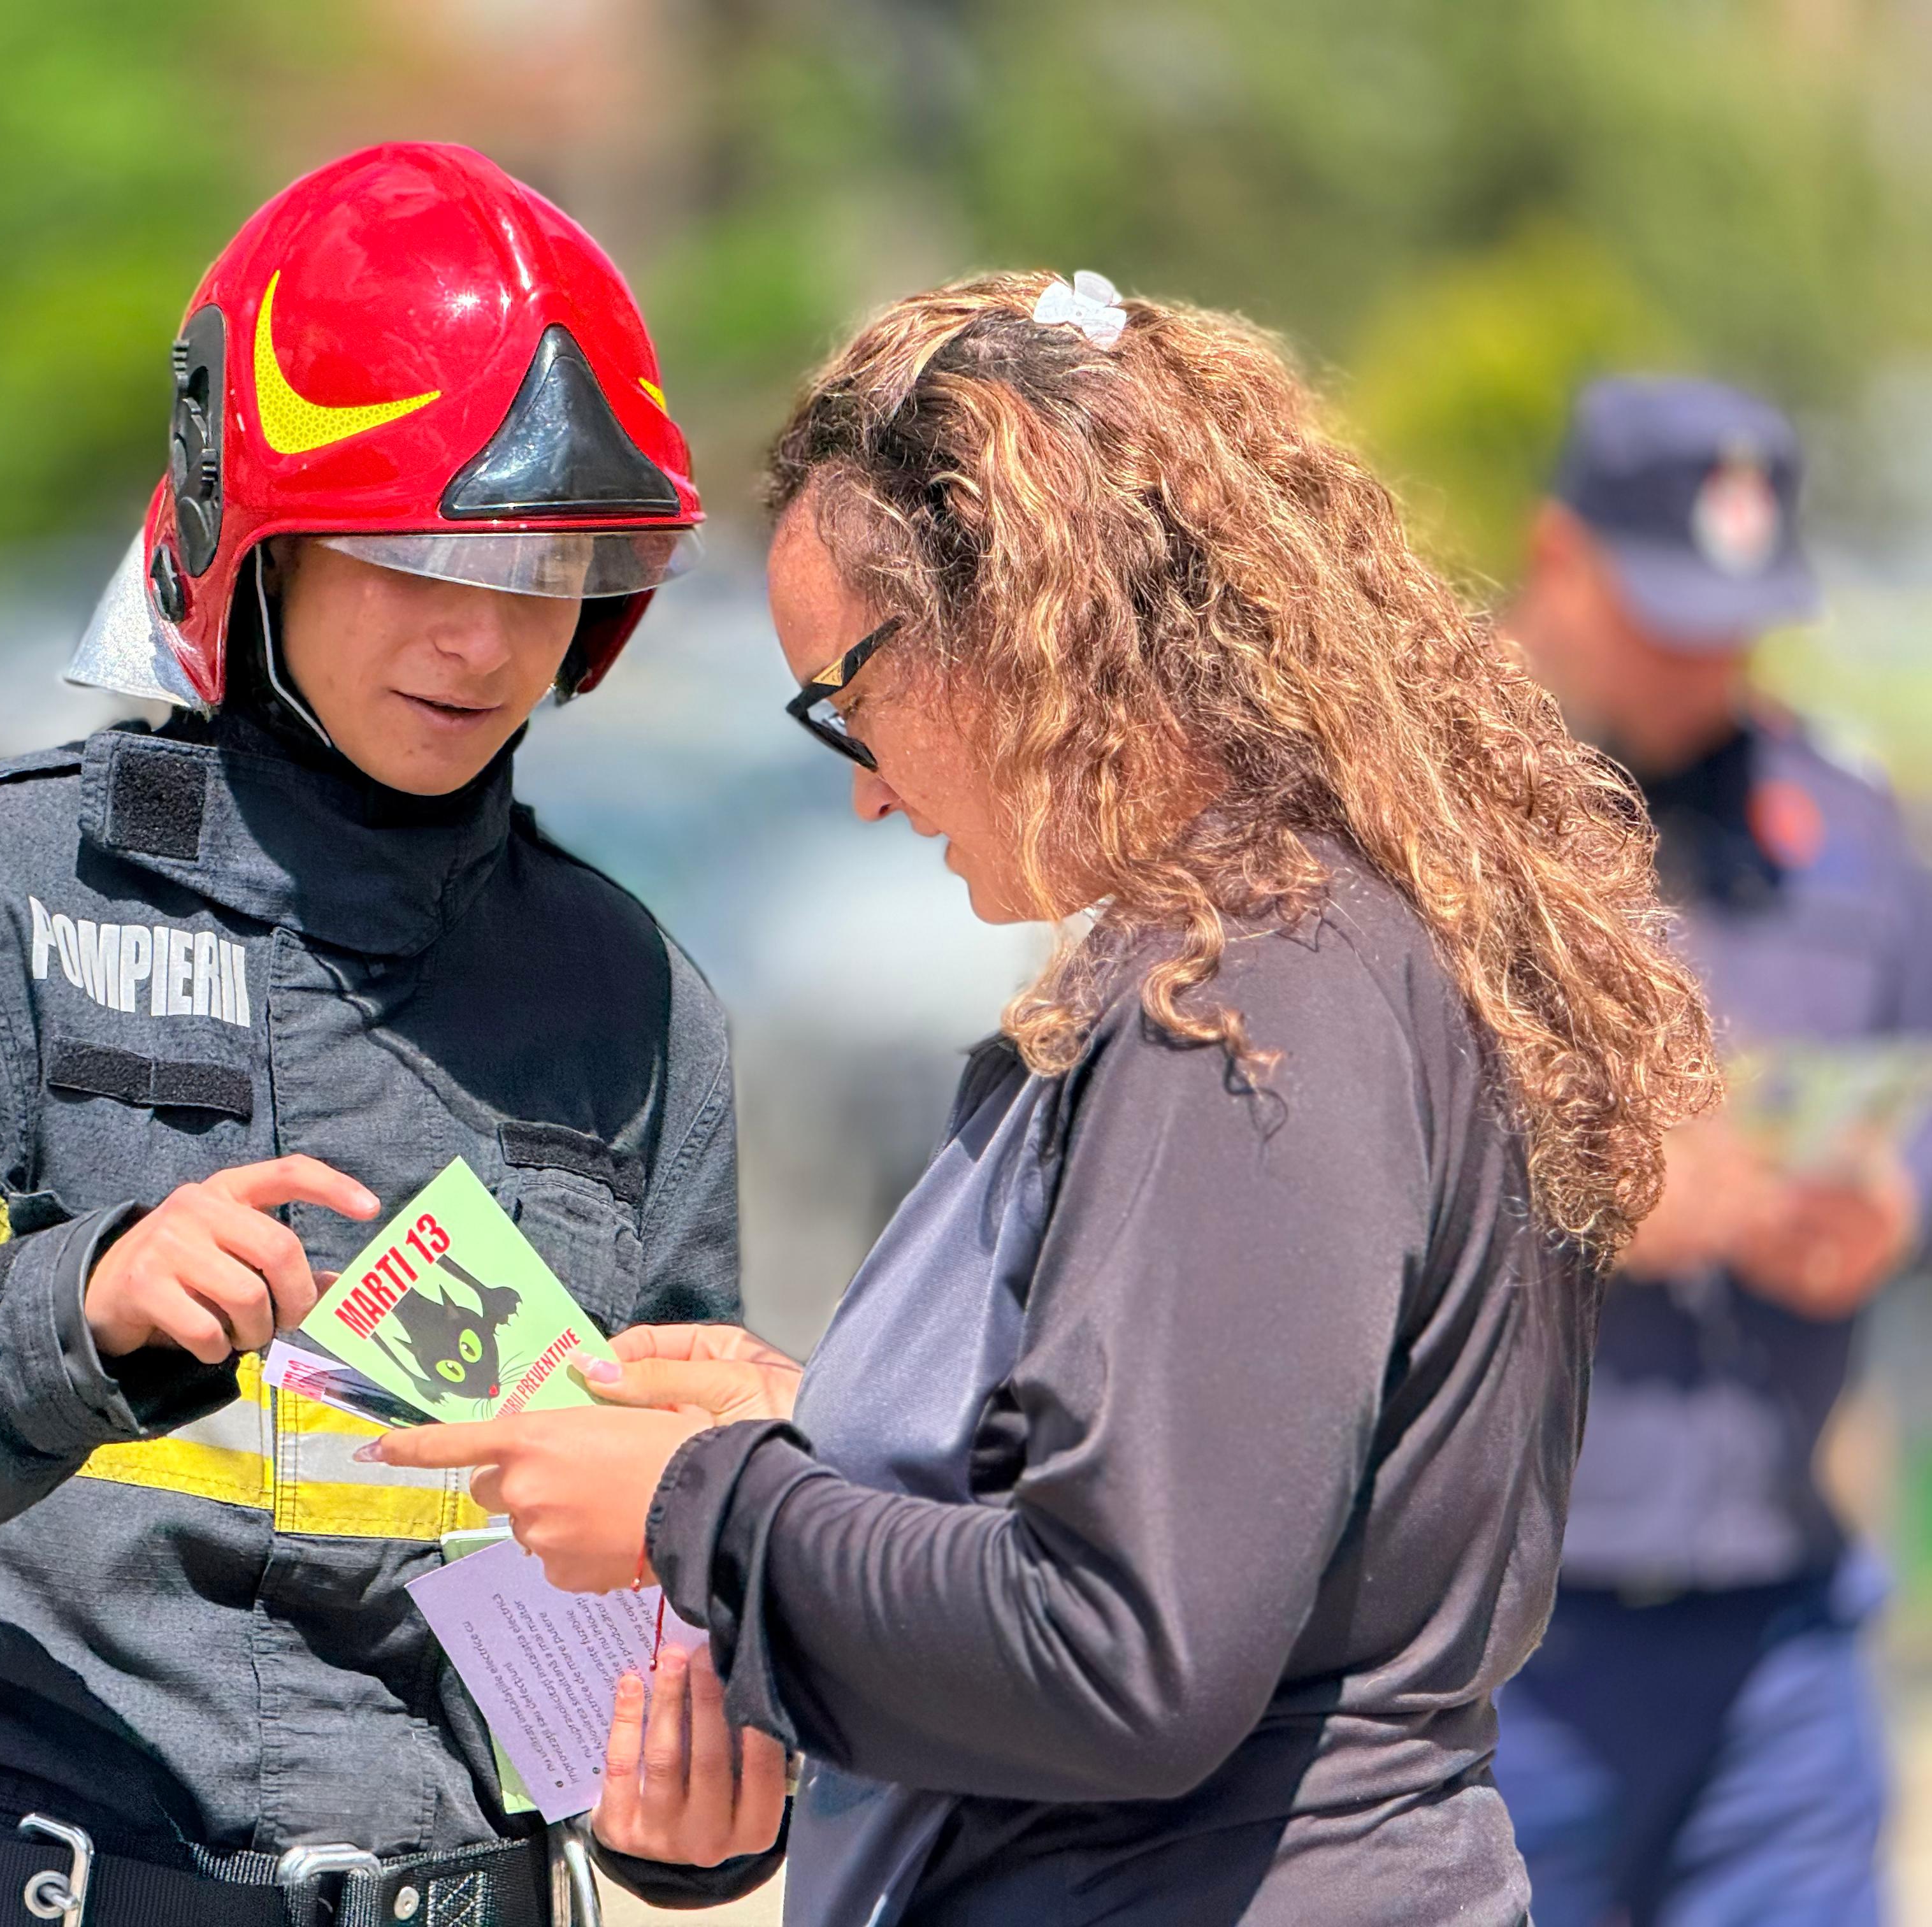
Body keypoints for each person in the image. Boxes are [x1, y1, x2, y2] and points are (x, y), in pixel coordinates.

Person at [371, 271, 1720, 1926]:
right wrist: (811, 1431)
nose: (866, 790)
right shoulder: (1284, 948)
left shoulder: (1248, 989)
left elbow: (1121, 1650)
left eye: (847, 699)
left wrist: (692, 1506)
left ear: (1015, 621)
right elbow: (1183, 1492)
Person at [0, 143, 786, 1926]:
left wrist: (693, 1810)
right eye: (408, 554)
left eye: (544, 563)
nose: (481, 638)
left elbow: (649, 1621)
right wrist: (69, 1318)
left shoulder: (632, 1007)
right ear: (253, 536)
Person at [1491, 376, 1931, 1926]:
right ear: (1559, 559)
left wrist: (1895, 1203)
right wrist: (1593, 1194)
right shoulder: (1441, 825)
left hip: (1780, 1625)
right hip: (1500, 1637)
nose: (1709, 666)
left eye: (1736, 627)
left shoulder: (1851, 828)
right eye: (1669, 621)